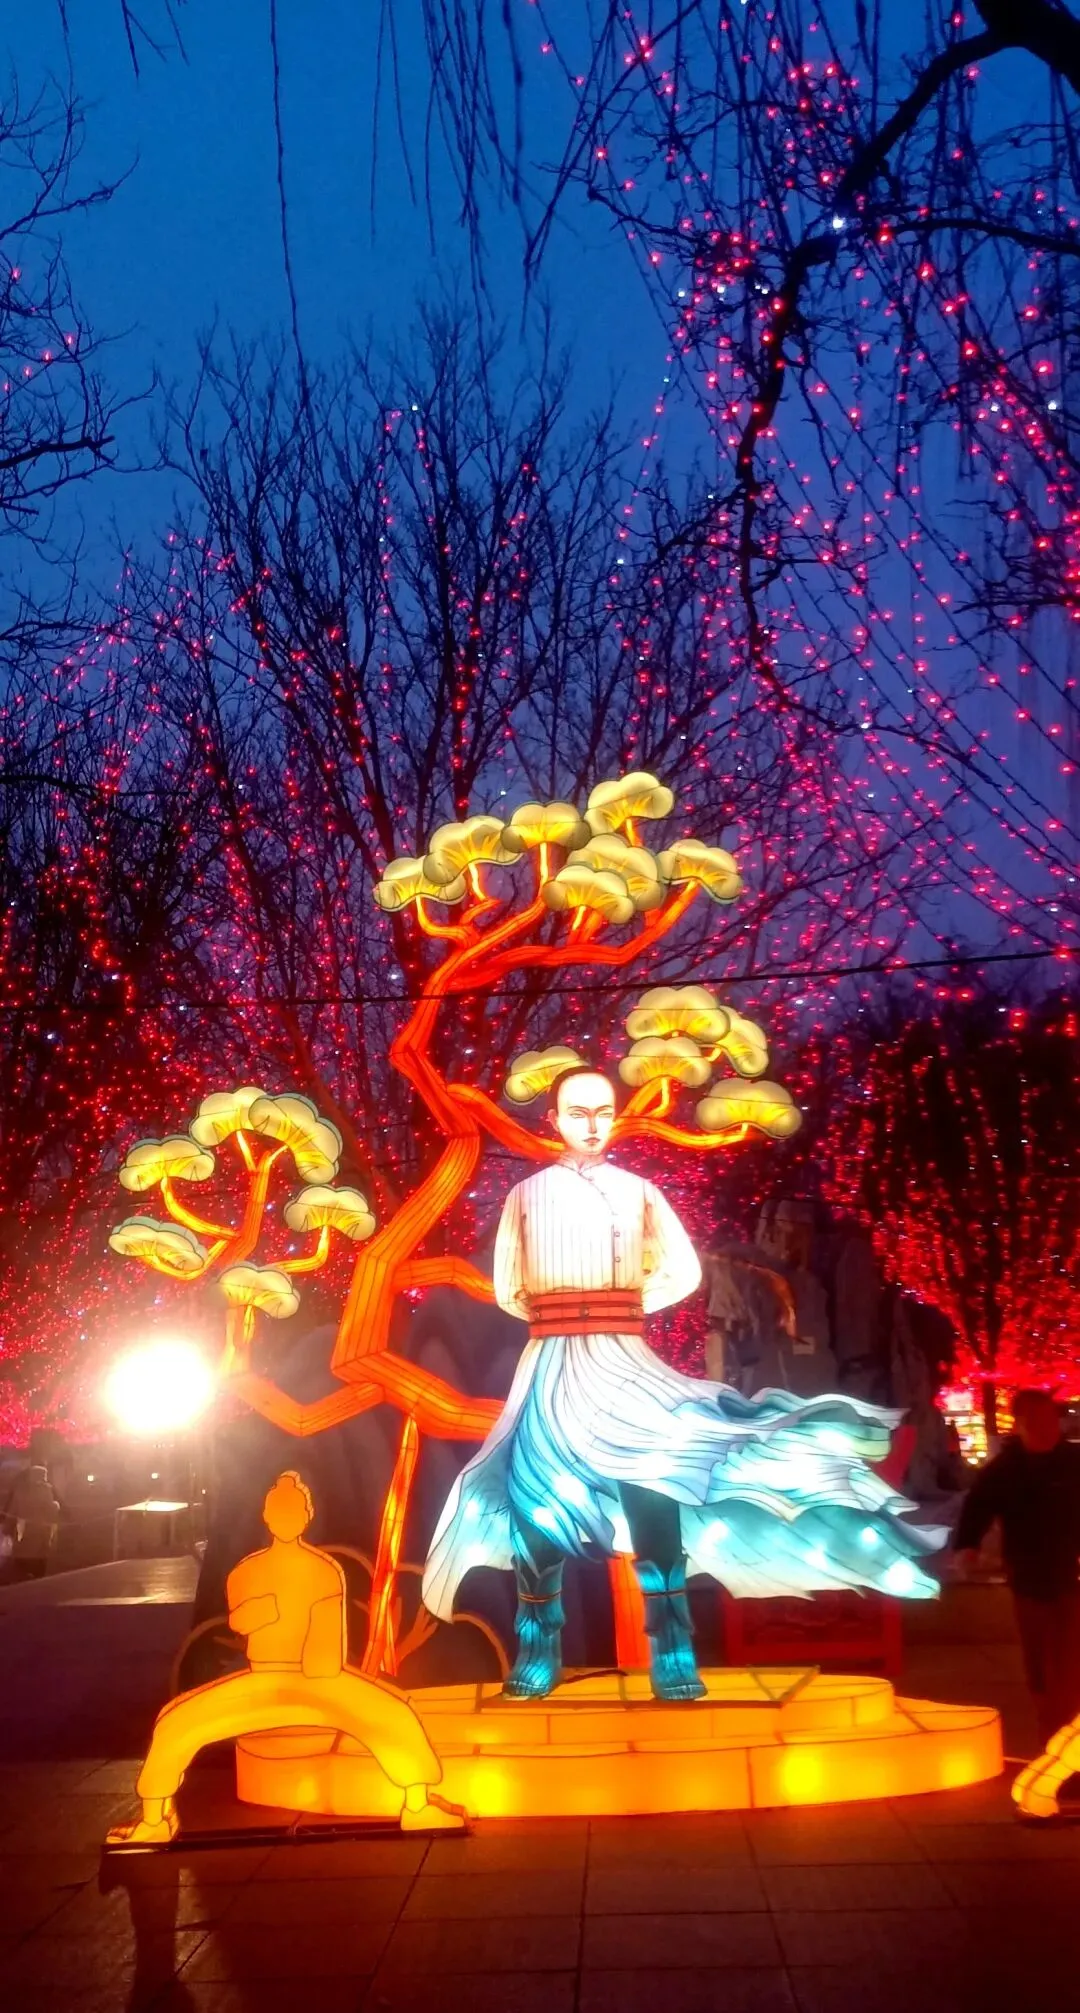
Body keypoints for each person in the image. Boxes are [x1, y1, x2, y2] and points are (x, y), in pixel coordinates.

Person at [422, 1066, 942, 1704]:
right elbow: (509, 1288)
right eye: (577, 1112)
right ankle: (538, 1648)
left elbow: (684, 1271)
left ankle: (672, 1647)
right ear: (553, 1120)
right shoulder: (525, 1196)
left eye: (603, 1111)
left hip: (623, 1357)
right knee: (535, 1496)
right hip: (552, 1361)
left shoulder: (639, 1192)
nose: (592, 1124)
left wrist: (623, 1304)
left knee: (653, 1483)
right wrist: (565, 1311)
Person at [108, 1471, 463, 1845]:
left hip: (317, 1680)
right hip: (262, 1678)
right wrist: (257, 1614)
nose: (286, 1518)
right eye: (279, 1510)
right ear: (267, 1516)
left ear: (307, 1516)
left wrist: (317, 1665)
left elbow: (326, 1650)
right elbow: (239, 1621)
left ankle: (418, 1804)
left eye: (294, 1511)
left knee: (395, 1713)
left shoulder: (323, 1571)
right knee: (174, 1721)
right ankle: (154, 1817)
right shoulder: (246, 1571)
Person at [953, 1387, 1080, 1748]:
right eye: (1035, 1420)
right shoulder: (1006, 1469)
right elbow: (978, 1506)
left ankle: (1066, 1719)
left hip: (1071, 1572)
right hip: (1029, 1574)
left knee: (1069, 1654)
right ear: (1020, 1424)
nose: (1046, 1427)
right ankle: (1051, 1722)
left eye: (1050, 1419)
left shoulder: (1074, 1461)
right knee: (1039, 1653)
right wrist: (967, 1546)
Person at [2, 1462, 60, 1581]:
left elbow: (13, 1512)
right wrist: (56, 1505)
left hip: (23, 1535)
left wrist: (6, 1529)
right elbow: (51, 1511)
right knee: (39, 1570)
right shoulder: (45, 1490)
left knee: (21, 1569)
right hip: (41, 1536)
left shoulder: (20, 1491)